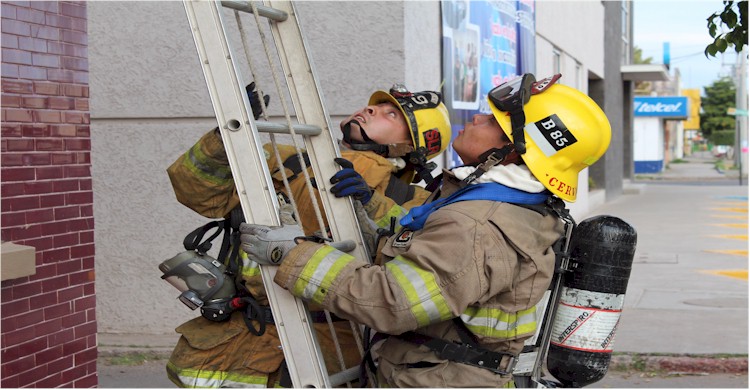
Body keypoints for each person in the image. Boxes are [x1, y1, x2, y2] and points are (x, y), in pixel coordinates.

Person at [239, 73, 612, 387]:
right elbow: (431, 254)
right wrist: (371, 207)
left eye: (491, 119)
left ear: (515, 149)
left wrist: (293, 254)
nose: (477, 119)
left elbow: (392, 302)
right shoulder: (511, 205)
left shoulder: (476, 223)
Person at [164, 83, 452, 387]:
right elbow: (197, 191)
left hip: (333, 346)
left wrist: (372, 204)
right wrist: (228, 137)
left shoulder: (414, 201)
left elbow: (409, 267)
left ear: (410, 146)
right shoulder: (284, 160)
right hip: (243, 331)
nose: (370, 109)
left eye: (391, 114)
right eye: (374, 106)